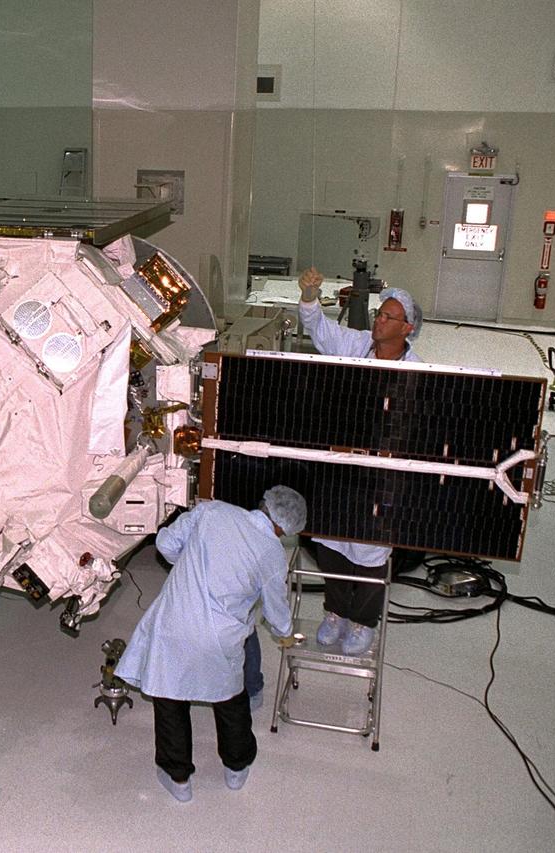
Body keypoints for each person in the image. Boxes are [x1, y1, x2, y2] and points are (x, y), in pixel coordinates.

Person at [115, 487, 306, 801]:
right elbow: (276, 612)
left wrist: (190, 568)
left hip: (175, 624)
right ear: (285, 529)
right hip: (221, 639)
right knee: (230, 701)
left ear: (263, 503)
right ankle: (236, 768)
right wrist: (286, 632)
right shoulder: (273, 554)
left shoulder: (213, 511)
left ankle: (178, 780)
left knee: (170, 698)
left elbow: (164, 543)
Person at [298, 266, 422, 655]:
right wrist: (308, 295)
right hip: (340, 466)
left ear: (407, 329)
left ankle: (363, 620)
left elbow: (418, 431)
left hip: (381, 473)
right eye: (378, 314)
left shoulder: (417, 373)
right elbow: (317, 327)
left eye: (388, 317)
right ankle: (335, 611)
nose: (378, 320)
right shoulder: (355, 345)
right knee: (333, 540)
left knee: (370, 549)